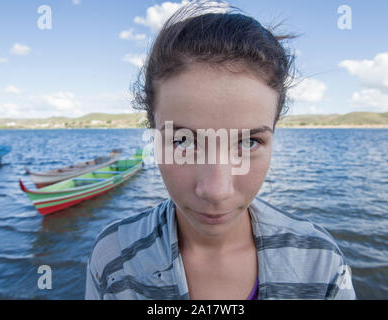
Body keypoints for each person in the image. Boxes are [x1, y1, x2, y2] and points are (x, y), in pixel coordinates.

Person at [85, 0, 356, 300]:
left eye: (248, 142)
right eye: (183, 141)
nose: (216, 191)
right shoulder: (114, 258)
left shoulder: (321, 265)